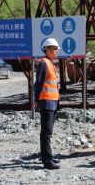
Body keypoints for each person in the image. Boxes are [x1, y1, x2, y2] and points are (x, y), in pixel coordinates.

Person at [34, 38, 61, 170]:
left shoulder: (50, 63)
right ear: (47, 49)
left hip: (52, 102)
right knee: (46, 133)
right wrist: (36, 100)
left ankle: (48, 156)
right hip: (46, 102)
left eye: (57, 49)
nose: (57, 51)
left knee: (48, 132)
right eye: (55, 49)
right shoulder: (44, 64)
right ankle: (47, 161)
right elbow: (38, 83)